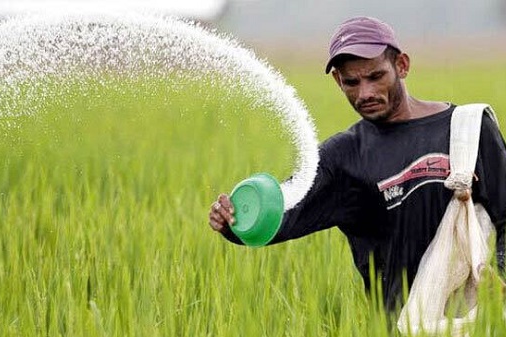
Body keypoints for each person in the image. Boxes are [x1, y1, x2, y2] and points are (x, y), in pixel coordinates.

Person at [208, 16, 506, 312]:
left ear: (401, 65)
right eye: (352, 82)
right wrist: (234, 221)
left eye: (376, 76)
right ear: (338, 80)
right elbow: (284, 214)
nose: (365, 93)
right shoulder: (343, 157)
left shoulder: (469, 129)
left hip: (480, 324)